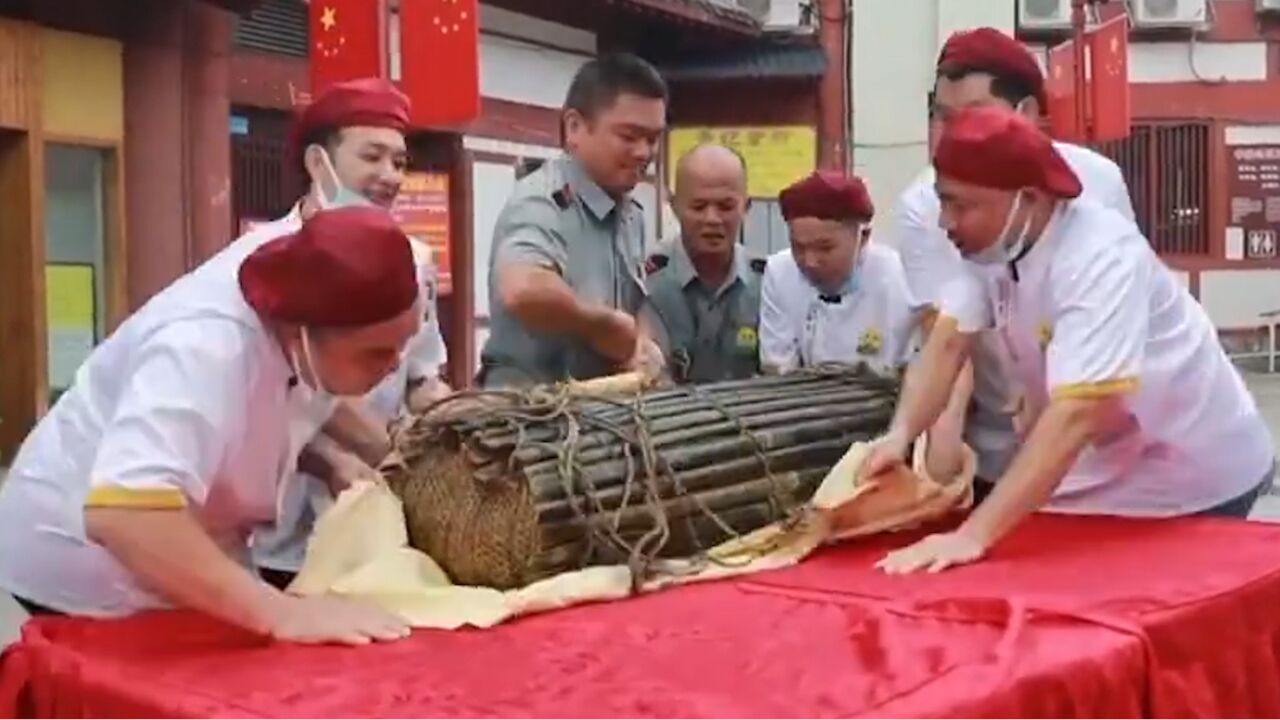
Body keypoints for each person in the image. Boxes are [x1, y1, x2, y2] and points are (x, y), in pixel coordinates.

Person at [862, 106, 1275, 574]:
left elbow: (1081, 412)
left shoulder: (1100, 256)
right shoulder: (990, 249)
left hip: (1190, 473)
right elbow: (948, 343)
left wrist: (972, 535)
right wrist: (900, 436)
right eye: (943, 201)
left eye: (962, 205)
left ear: (1029, 198)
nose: (946, 222)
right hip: (1101, 464)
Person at [0, 207, 422, 645]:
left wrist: (393, 459)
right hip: (89, 561)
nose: (393, 367)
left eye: (403, 346)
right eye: (376, 354)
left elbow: (305, 391)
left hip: (201, 534)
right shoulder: (203, 348)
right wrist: (281, 614)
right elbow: (124, 513)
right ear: (301, 333)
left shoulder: (307, 288)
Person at [891, 26, 1137, 486]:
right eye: (944, 117)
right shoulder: (923, 206)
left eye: (975, 115)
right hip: (997, 448)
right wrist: (931, 435)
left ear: (1026, 114)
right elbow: (946, 336)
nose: (955, 134)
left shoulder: (1097, 182)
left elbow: (1121, 318)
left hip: (1096, 447)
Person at [246, 77, 450, 588]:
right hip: (282, 529)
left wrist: (457, 424)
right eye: (372, 157)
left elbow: (421, 377)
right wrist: (336, 458)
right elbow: (266, 397)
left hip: (381, 520)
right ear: (320, 164)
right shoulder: (266, 261)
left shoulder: (415, 261)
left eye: (399, 162)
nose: (389, 176)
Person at [479, 53, 668, 387]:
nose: (643, 152)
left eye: (652, 139)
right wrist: (599, 325)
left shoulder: (631, 216)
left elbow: (634, 307)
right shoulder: (541, 201)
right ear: (575, 127)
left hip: (600, 413)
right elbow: (522, 288)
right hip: (530, 414)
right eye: (629, 136)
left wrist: (640, 343)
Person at [759, 171, 922, 374]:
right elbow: (777, 366)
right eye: (798, 247)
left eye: (825, 248)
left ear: (863, 238)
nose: (810, 262)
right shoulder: (779, 272)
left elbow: (909, 368)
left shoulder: (900, 278)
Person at [640, 144, 762, 383]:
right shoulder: (645, 282)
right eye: (698, 207)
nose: (712, 219)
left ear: (746, 207)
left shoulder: (768, 285)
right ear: (674, 206)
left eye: (726, 207)